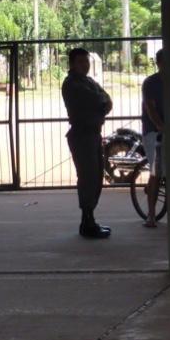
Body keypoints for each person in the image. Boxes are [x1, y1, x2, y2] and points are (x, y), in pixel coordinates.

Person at [62, 47, 113, 239]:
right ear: (72, 64)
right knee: (88, 178)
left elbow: (107, 100)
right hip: (82, 135)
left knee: (96, 177)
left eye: (87, 62)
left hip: (93, 135)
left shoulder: (89, 82)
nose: (85, 65)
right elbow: (96, 100)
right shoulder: (72, 84)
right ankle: (87, 222)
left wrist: (102, 102)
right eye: (81, 62)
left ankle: (88, 221)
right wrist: (101, 102)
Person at [141, 49, 165, 228]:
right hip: (153, 132)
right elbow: (150, 108)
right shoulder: (150, 83)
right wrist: (160, 125)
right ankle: (151, 214)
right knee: (156, 172)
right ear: (158, 62)